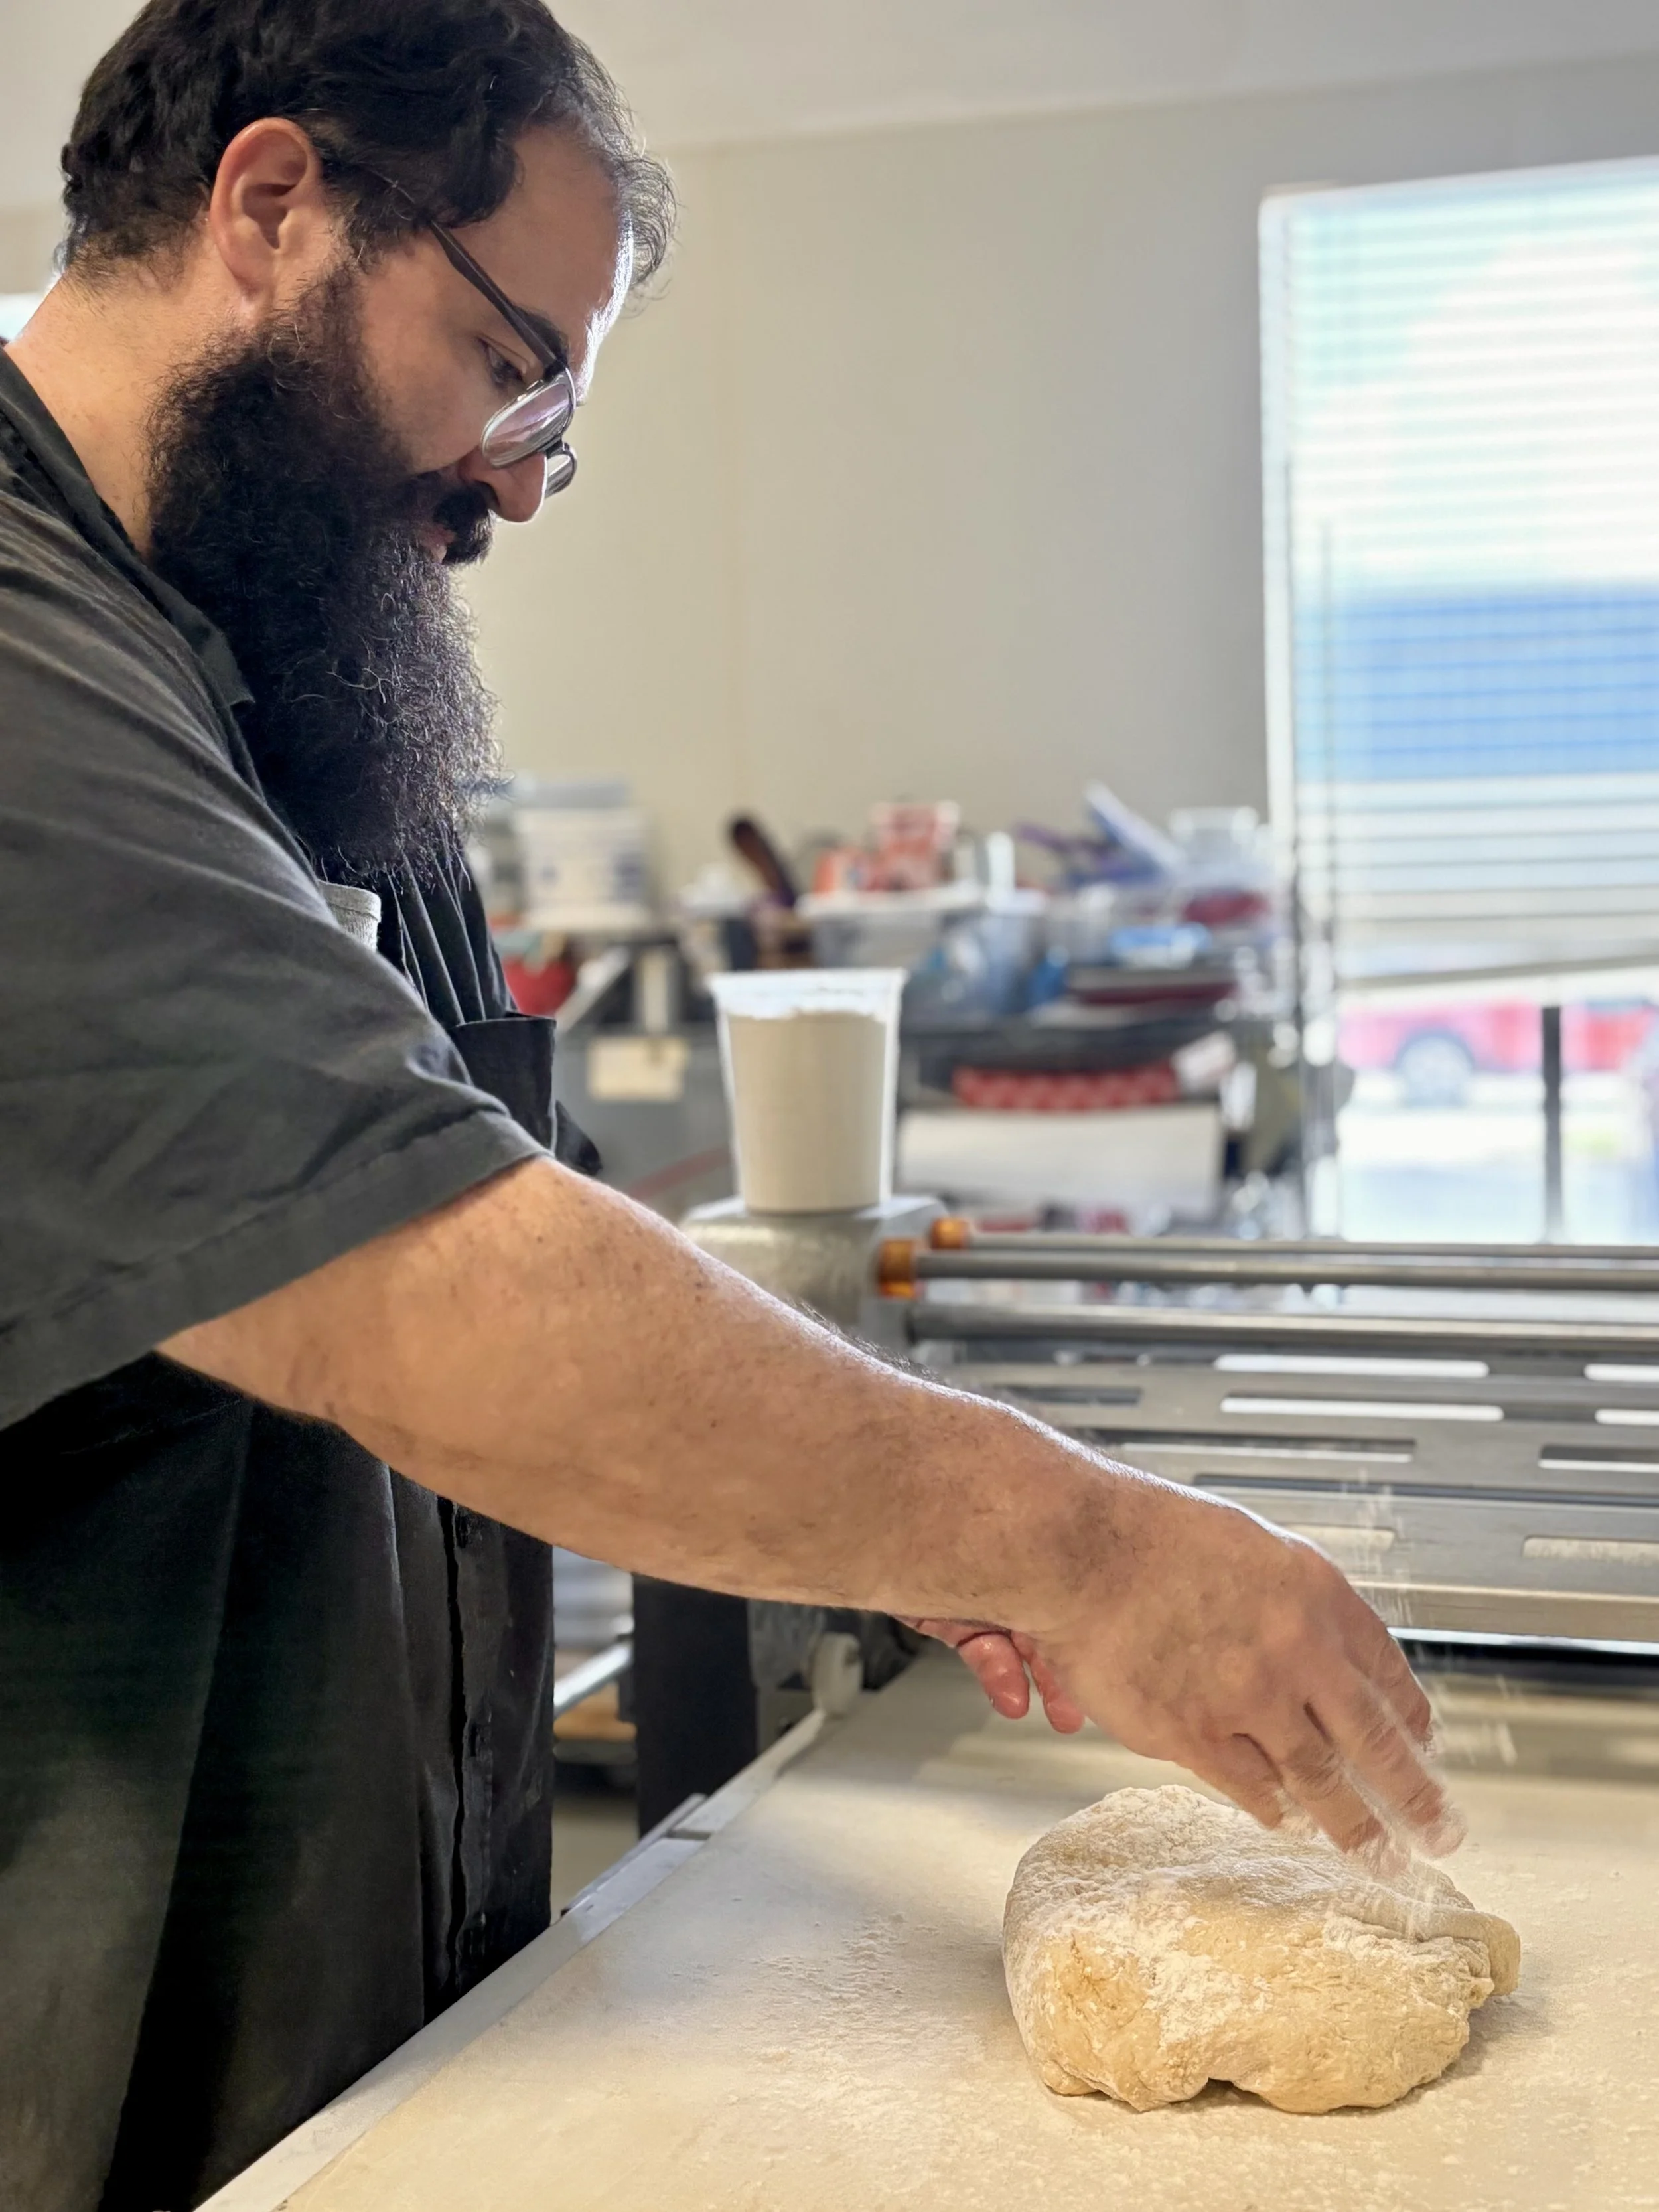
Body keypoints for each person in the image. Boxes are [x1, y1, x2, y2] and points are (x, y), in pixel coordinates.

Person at [0, 3, 1456, 2204]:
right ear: (272, 205)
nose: (517, 477)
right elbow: (424, 1288)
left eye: (555, 426)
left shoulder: (289, 679)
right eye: (510, 365)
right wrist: (1075, 1547)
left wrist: (866, 1495)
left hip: (357, 2046)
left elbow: (523, 1212)